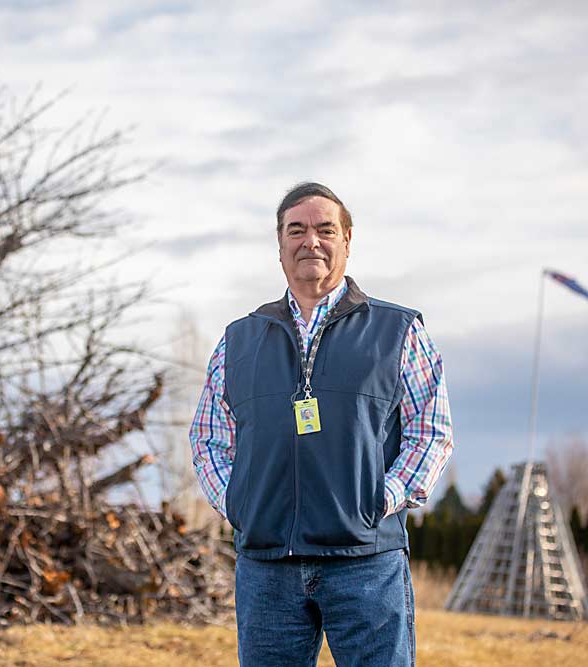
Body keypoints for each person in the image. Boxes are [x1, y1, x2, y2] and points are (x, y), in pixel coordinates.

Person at [189, 182, 453, 667]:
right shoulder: (238, 340)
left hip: (365, 563)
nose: (310, 241)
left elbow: (430, 434)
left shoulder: (398, 332)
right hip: (267, 568)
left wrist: (380, 500)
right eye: (297, 230)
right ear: (280, 244)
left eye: (325, 229)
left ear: (347, 241)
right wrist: (237, 503)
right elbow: (208, 438)